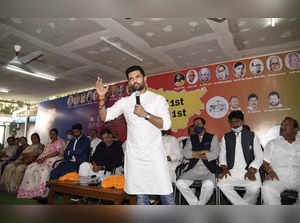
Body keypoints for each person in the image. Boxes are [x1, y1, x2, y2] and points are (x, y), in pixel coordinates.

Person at [96, 65, 174, 205]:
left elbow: (166, 125)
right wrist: (101, 98)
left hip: (154, 155)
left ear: (145, 78)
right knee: (140, 196)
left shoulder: (157, 99)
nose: (134, 81)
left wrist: (146, 114)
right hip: (135, 157)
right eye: (131, 79)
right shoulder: (125, 102)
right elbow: (105, 116)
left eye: (137, 77)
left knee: (166, 194)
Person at [218, 111, 263, 205]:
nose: (234, 124)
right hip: (232, 170)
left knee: (254, 189)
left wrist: (252, 169)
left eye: (237, 121)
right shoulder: (226, 137)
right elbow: (222, 155)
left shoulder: (252, 135)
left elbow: (259, 155)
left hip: (249, 170)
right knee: (222, 184)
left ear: (242, 121)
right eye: (232, 122)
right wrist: (224, 168)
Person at [176, 117, 221, 205]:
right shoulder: (191, 138)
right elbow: (186, 154)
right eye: (195, 124)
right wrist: (204, 152)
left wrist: (195, 154)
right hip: (193, 169)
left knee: (208, 185)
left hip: (208, 169)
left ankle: (200, 204)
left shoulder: (212, 137)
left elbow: (214, 154)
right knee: (179, 183)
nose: (197, 126)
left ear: (204, 125)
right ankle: (195, 204)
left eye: (199, 124)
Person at [17, 128, 65, 199]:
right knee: (30, 168)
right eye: (50, 134)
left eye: (53, 134)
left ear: (56, 134)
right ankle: (30, 190)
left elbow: (57, 152)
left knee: (43, 171)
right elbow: (43, 153)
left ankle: (40, 192)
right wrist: (39, 159)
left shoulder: (59, 141)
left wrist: (45, 158)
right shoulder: (48, 143)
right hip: (44, 158)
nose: (52, 135)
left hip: (54, 159)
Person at [261, 117, 300, 205]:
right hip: (279, 177)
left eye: (286, 125)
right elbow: (265, 163)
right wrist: (269, 171)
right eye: (282, 124)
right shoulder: (272, 143)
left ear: (295, 129)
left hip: (298, 177)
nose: (282, 126)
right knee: (267, 188)